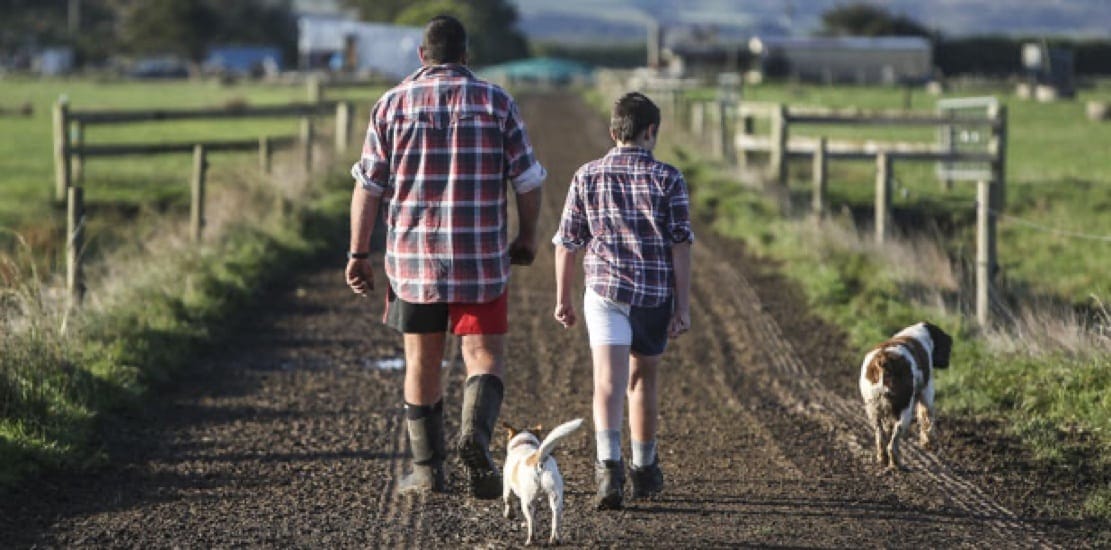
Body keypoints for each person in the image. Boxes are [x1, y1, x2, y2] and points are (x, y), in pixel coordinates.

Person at [346, 15, 546, 499]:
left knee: (422, 361)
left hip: (412, 262)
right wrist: (526, 237)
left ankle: (428, 471)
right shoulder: (497, 103)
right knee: (484, 357)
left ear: (421, 55)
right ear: (466, 55)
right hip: (481, 259)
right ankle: (475, 440)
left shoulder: (390, 106)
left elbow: (368, 188)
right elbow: (528, 181)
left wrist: (358, 252)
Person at [551, 91, 693, 510]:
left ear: (613, 132)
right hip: (653, 295)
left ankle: (607, 469)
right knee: (642, 380)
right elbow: (681, 246)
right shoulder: (670, 179)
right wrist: (682, 306)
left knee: (607, 383)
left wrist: (563, 297)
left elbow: (567, 243)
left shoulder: (587, 175)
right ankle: (644, 469)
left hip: (604, 293)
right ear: (652, 131)